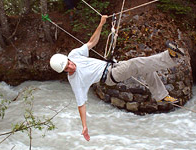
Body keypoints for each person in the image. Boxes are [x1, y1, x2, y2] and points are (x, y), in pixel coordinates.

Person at [49, 15, 185, 141]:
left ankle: (161, 95)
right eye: (67, 68)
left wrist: (101, 23)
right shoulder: (75, 81)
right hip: (110, 76)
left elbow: (91, 43)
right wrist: (84, 126)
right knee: (136, 63)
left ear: (68, 58)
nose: (71, 66)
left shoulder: (74, 54)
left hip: (114, 66)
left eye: (69, 63)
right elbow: (81, 104)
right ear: (64, 72)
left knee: (144, 68)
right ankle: (170, 57)